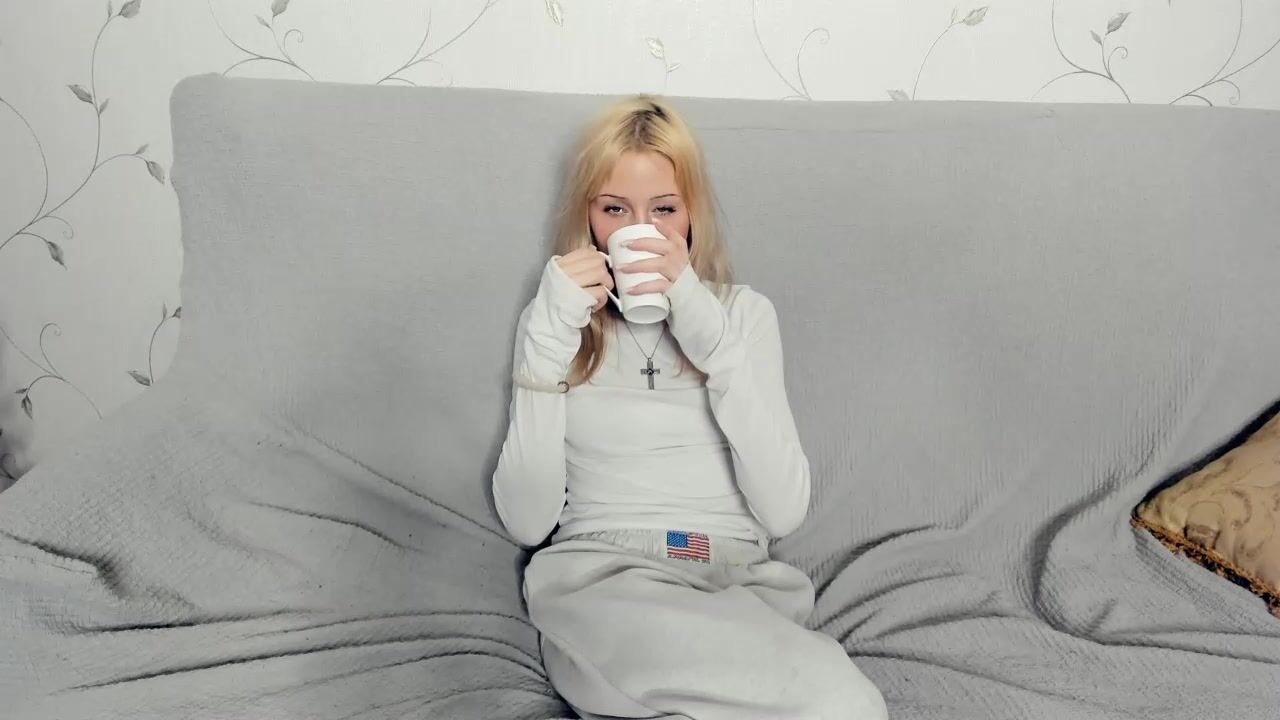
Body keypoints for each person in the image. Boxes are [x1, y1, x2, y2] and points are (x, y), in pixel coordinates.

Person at [491, 95, 887, 720]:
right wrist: (546, 341)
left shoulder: (744, 314)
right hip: (605, 582)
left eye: (664, 210)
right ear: (587, 218)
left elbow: (783, 510)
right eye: (614, 209)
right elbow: (527, 522)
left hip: (736, 583)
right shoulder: (555, 321)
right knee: (843, 705)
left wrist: (713, 341)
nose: (641, 232)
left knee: (838, 702)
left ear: (692, 214)